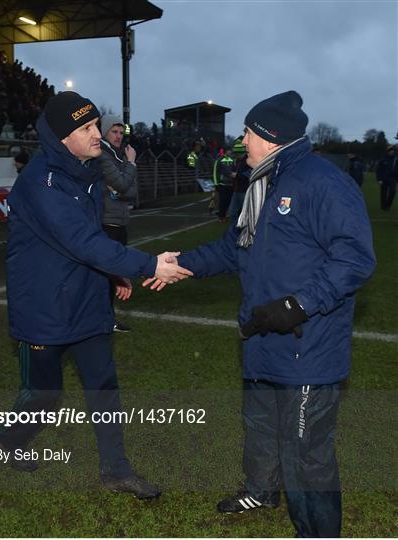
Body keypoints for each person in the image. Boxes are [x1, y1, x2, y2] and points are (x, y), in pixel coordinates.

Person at [144, 91, 376, 536]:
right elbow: (236, 248)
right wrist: (182, 264)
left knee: (307, 452)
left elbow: (355, 260)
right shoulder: (260, 182)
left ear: (270, 138)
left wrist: (299, 305)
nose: (241, 140)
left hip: (305, 344)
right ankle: (262, 489)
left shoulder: (321, 182)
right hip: (261, 334)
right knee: (261, 423)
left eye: (248, 132)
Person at [0, 91, 192, 499]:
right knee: (46, 395)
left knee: (104, 384)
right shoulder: (41, 184)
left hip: (86, 300)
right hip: (45, 310)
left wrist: (111, 273)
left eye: (94, 125)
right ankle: (12, 438)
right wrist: (147, 265)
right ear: (62, 138)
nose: (97, 135)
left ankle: (116, 470)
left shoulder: (83, 170)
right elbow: (81, 241)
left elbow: (90, 242)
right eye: (85, 128)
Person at [98, 114, 137, 333]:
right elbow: (123, 185)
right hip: (107, 222)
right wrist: (131, 164)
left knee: (111, 275)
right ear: (104, 131)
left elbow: (132, 192)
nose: (119, 136)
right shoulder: (104, 156)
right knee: (106, 274)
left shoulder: (116, 156)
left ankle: (107, 318)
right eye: (114, 131)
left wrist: (119, 190)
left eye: (121, 133)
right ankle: (104, 319)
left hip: (119, 222)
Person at [228, 137, 251, 221]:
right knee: (232, 212)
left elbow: (249, 174)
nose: (236, 155)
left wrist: (237, 175)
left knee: (244, 213)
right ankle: (234, 230)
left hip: (244, 191)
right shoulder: (237, 161)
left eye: (237, 154)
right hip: (236, 190)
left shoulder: (248, 161)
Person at [213, 148, 235, 222]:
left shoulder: (233, 160)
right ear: (226, 151)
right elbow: (215, 172)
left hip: (231, 184)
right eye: (229, 150)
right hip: (222, 184)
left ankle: (225, 215)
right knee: (223, 201)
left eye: (230, 151)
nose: (230, 152)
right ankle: (221, 216)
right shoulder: (219, 160)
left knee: (229, 201)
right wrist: (216, 184)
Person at [376, 145, 397, 210]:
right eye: (390, 151)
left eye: (393, 151)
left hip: (393, 179)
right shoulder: (382, 160)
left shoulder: (396, 160)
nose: (392, 152)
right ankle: (383, 207)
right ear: (387, 152)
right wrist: (379, 179)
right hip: (383, 179)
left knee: (392, 192)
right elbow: (378, 170)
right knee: (383, 194)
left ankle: (388, 205)